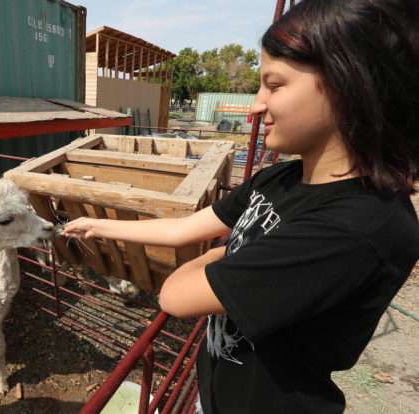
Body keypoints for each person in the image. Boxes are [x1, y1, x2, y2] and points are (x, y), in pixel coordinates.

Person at [62, 0, 419, 412]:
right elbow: (183, 229)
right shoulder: (281, 179)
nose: (254, 106)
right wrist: (100, 226)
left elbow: (176, 297)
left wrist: (226, 252)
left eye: (275, 84)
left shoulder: (357, 228)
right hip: (217, 395)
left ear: (349, 82)